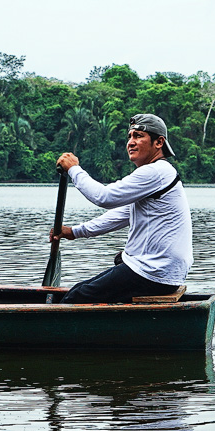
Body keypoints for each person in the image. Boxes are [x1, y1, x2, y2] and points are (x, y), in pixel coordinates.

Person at [50, 113, 193, 303]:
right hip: (159, 270)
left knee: (75, 298)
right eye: (130, 137)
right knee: (78, 290)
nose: (131, 142)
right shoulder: (156, 174)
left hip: (154, 272)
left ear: (159, 143)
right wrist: (75, 232)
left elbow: (104, 197)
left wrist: (74, 169)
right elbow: (121, 214)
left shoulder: (156, 171)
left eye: (138, 136)